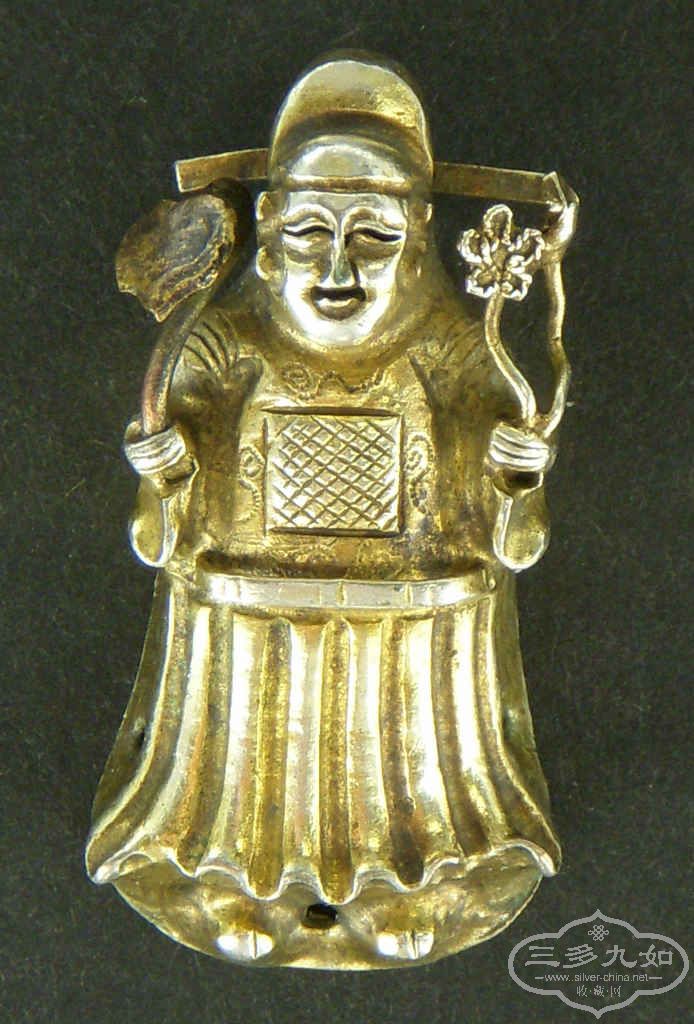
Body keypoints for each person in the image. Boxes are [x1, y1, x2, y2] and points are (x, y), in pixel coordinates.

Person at [86, 53, 565, 968]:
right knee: (246, 769)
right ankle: (233, 878)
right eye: (310, 231)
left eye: (373, 237)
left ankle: (409, 880)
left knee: (403, 767)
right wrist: (166, 468)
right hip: (248, 619)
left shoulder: (453, 346)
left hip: (412, 628)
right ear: (268, 233)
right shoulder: (224, 343)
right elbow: (163, 519)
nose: (338, 267)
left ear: (418, 242)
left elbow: (509, 519)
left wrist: (515, 472)